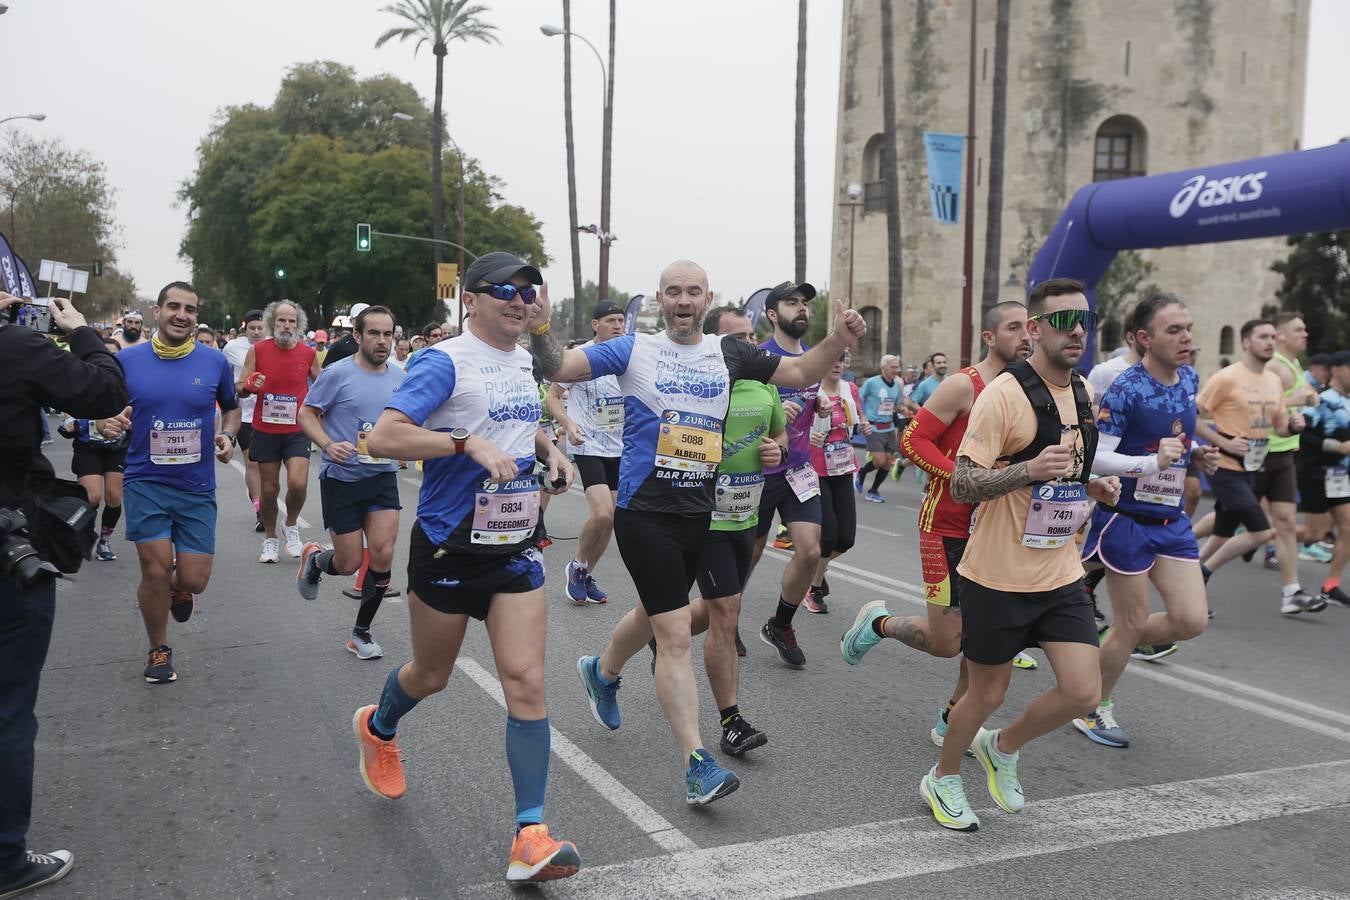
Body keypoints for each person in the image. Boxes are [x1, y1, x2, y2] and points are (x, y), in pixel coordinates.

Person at [536, 261, 865, 805]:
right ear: (660, 300)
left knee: (654, 613)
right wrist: (542, 328)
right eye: (673, 292)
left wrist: (838, 337)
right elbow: (562, 366)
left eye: (693, 292)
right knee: (672, 634)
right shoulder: (631, 349)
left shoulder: (730, 352)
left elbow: (803, 373)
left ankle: (601, 670)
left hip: (703, 513)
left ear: (708, 298)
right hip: (646, 513)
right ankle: (697, 761)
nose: (683, 301)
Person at [350, 252, 580, 883]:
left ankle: (529, 834)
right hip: (450, 546)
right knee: (431, 674)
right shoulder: (443, 359)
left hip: (513, 547)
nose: (518, 298)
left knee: (527, 680)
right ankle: (380, 725)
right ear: (470, 300)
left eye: (528, 289)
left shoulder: (523, 360)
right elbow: (385, 438)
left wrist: (548, 448)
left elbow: (507, 422)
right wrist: (461, 445)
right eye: (502, 289)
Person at [919, 278, 1122, 831]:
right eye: (1061, 320)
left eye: (1083, 319)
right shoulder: (1002, 396)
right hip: (997, 574)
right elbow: (963, 484)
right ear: (1034, 330)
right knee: (986, 692)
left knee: (1084, 691)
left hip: (1057, 569)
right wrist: (1026, 471)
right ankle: (942, 776)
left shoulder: (1081, 392)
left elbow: (1068, 473)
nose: (1076, 330)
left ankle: (1003, 747)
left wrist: (1093, 488)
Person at [841, 301, 1037, 742]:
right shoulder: (963, 386)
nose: (1026, 336)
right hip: (946, 524)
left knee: (982, 635)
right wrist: (966, 480)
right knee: (949, 642)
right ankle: (880, 622)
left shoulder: (1031, 389)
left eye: (1030, 327)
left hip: (998, 530)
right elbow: (913, 440)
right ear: (989, 337)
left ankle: (954, 719)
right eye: (1014, 327)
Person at [0, 291, 127, 898]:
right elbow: (104, 390)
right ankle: (5, 861)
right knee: (8, 708)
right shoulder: (18, 346)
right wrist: (80, 330)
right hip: (8, 554)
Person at [1072, 294, 1218, 749]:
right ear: (1143, 338)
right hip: (1126, 518)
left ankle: (1097, 651)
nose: (1186, 337)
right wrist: (1152, 463)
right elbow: (1097, 456)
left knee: (1191, 620)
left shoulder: (1190, 377)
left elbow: (1177, 436)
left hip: (1170, 518)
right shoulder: (1126, 389)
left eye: (1188, 328)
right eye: (1173, 330)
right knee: (1132, 623)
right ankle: (1093, 706)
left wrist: (1196, 455)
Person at [107, 282, 240, 684]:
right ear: (157, 310)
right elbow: (102, 409)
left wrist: (228, 436)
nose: (182, 315)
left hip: (197, 484)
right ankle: (158, 648)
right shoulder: (127, 360)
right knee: (154, 569)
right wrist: (106, 421)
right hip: (145, 479)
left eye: (190, 309)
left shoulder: (214, 362)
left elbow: (231, 410)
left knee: (194, 579)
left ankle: (179, 590)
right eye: (174, 307)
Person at [674, 305, 786, 754]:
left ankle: (610, 663)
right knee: (727, 610)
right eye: (737, 339)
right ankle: (731, 721)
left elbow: (779, 437)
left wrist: (776, 449)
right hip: (703, 514)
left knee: (693, 612)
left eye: (751, 337)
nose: (750, 346)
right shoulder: (698, 390)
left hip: (747, 514)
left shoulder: (765, 387)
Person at [296, 306, 405, 659]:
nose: (382, 340)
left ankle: (361, 632)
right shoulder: (336, 374)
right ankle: (315, 562)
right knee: (348, 564)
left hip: (381, 477)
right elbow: (307, 414)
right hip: (341, 478)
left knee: (383, 553)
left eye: (388, 334)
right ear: (357, 336)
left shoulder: (401, 377)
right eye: (374, 333)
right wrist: (327, 444)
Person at [1194, 320, 1318, 613]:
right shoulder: (1227, 378)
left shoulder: (1274, 381)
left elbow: (1279, 427)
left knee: (1222, 533)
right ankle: (1201, 573)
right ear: (1246, 342)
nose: (1270, 342)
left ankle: (1188, 580)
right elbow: (1193, 417)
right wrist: (1224, 443)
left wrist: (1294, 425)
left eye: (1273, 337)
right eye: (1263, 337)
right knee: (1262, 533)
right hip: (1225, 466)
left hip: (1253, 465)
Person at [747, 281, 824, 669]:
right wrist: (771, 417)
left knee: (810, 551)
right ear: (773, 314)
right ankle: (725, 621)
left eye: (805, 303)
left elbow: (809, 399)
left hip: (798, 470)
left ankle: (781, 623)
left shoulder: (811, 359)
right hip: (760, 472)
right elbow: (738, 413)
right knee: (752, 554)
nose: (802, 309)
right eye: (792, 303)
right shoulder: (757, 357)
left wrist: (821, 403)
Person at [548, 300, 627, 605]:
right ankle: (578, 564)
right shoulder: (582, 357)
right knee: (603, 512)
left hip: (619, 447)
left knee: (611, 519)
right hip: (588, 444)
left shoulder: (629, 359)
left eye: (621, 320)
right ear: (596, 324)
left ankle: (584, 572)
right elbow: (553, 397)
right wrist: (567, 423)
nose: (618, 326)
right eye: (611, 320)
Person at [237, 301, 320, 562]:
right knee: (270, 490)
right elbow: (239, 388)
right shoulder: (258, 350)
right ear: (273, 323)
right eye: (282, 320)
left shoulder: (308, 354)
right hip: (265, 428)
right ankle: (271, 538)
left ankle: (291, 524)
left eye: (292, 321)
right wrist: (251, 384)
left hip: (297, 428)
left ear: (299, 325)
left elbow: (324, 385)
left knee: (298, 483)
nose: (286, 325)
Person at [805, 349, 868, 613]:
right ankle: (814, 589)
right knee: (828, 536)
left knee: (846, 539)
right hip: (817, 468)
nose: (837, 364)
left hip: (842, 466)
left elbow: (859, 418)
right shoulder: (811, 390)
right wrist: (811, 436)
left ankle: (817, 572)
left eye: (841, 360)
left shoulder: (850, 389)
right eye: (832, 359)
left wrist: (865, 425)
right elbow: (795, 427)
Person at [57, 344, 130, 562]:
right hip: (88, 446)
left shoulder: (124, 384)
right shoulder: (81, 384)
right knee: (92, 496)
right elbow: (68, 415)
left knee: (114, 496)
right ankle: (85, 533)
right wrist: (71, 423)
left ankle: (105, 541)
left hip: (117, 447)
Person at [1297, 350, 1350, 608]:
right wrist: (1336, 447)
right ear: (1337, 369)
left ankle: (1331, 585)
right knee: (1313, 533)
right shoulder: (1320, 400)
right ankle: (1263, 536)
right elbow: (1303, 436)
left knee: (1348, 528)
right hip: (1315, 473)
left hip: (1340, 477)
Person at [222, 310, 266, 532]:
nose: (257, 332)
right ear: (245, 329)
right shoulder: (232, 348)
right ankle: (260, 509)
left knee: (268, 466)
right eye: (252, 328)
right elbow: (225, 376)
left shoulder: (274, 345)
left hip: (271, 413)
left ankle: (268, 502)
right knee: (252, 462)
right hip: (245, 413)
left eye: (260, 328)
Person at [854, 354, 905, 502]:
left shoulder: (896, 385)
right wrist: (862, 417)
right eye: (893, 367)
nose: (896, 370)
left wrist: (901, 409)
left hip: (888, 427)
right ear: (883, 368)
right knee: (879, 461)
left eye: (897, 367)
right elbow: (857, 399)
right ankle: (861, 473)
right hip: (874, 427)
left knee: (888, 462)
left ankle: (873, 491)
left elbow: (896, 405)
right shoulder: (872, 383)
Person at [322, 303, 368, 370]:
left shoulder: (378, 343)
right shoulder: (341, 345)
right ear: (351, 321)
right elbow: (326, 371)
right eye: (358, 318)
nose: (362, 321)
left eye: (365, 317)